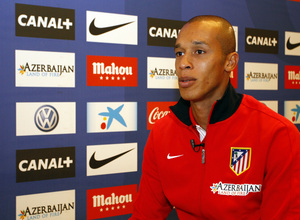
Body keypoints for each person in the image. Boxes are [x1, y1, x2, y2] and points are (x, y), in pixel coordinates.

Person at [130, 15, 300, 219]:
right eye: (179, 53)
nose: (183, 63)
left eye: (199, 52)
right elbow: (145, 215)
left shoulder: (277, 134)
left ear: (230, 62)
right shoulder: (162, 131)